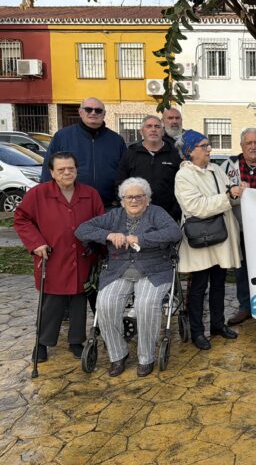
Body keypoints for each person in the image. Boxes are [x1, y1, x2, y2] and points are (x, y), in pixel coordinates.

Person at [75, 178, 182, 377]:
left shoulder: (156, 213)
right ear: (122, 200)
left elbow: (174, 233)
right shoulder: (114, 216)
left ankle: (146, 357)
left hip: (154, 270)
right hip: (118, 270)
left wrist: (141, 239)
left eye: (139, 196)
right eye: (129, 197)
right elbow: (82, 230)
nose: (134, 200)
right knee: (105, 304)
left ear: (147, 199)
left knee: (146, 305)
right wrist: (109, 235)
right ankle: (118, 355)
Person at [14, 152, 104, 363]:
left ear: (76, 170)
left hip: (82, 256)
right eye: (61, 169)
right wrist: (36, 243)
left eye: (71, 168)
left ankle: (76, 340)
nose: (67, 173)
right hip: (53, 257)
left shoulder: (90, 194)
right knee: (52, 302)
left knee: (79, 299)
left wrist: (97, 243)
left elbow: (101, 221)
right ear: (52, 172)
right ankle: (42, 342)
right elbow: (21, 219)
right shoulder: (38, 194)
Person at [175, 130, 243, 350]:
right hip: (201, 238)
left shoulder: (216, 169)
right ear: (190, 151)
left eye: (208, 145)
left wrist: (237, 194)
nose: (209, 149)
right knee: (198, 287)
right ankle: (197, 331)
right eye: (203, 146)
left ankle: (217, 324)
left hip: (221, 235)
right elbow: (195, 207)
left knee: (219, 283)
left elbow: (228, 198)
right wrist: (228, 197)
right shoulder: (183, 176)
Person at [220, 128, 256, 329]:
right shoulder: (227, 166)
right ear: (241, 145)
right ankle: (245, 306)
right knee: (241, 269)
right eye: (249, 143)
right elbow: (220, 192)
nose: (253, 146)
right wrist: (233, 193)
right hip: (239, 226)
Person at [41, 97, 126, 207]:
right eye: (88, 109)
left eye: (98, 110)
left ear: (104, 114)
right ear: (80, 112)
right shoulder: (62, 137)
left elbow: (125, 172)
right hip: (71, 206)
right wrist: (49, 199)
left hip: (108, 206)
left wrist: (120, 199)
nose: (93, 113)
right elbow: (48, 170)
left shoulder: (116, 140)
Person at [115, 115, 181, 221]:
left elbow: (182, 186)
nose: (153, 129)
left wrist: (175, 212)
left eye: (157, 126)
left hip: (168, 216)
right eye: (149, 126)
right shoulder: (130, 154)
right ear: (141, 131)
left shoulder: (175, 154)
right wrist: (129, 209)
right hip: (136, 216)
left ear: (163, 131)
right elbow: (120, 184)